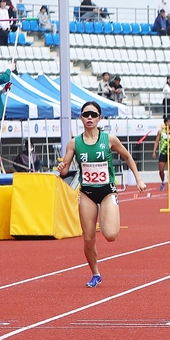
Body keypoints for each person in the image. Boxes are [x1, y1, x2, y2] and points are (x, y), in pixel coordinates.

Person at [56, 101, 146, 288]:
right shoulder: (74, 143)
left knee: (111, 235)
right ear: (81, 117)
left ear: (99, 118)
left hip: (107, 191)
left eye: (93, 115)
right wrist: (61, 169)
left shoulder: (109, 139)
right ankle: (95, 273)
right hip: (87, 192)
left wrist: (138, 179)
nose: (89, 118)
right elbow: (64, 172)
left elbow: (128, 157)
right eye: (86, 114)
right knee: (88, 238)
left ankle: (108, 216)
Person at [153, 116, 170, 192]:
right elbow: (157, 141)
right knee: (161, 170)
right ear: (164, 123)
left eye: (169, 122)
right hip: (163, 152)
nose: (168, 123)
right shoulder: (160, 132)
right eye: (166, 122)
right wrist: (154, 151)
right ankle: (163, 181)